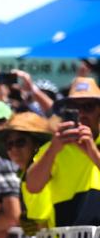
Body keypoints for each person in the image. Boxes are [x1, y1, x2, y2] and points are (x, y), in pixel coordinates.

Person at [25, 77, 100, 227]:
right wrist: (53, 150)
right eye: (74, 108)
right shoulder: (54, 147)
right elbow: (33, 186)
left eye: (88, 106)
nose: (81, 114)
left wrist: (92, 152)